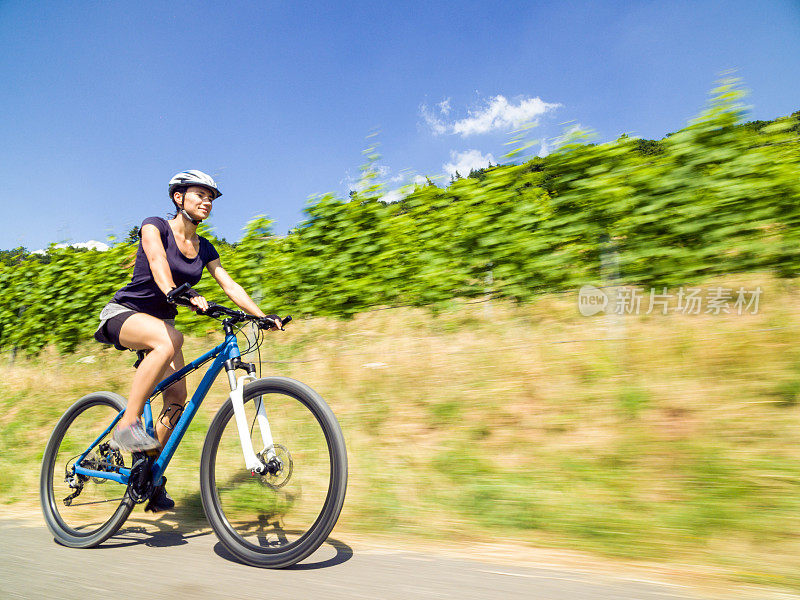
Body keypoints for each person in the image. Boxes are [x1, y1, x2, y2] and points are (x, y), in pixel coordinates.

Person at [94, 169, 280, 512]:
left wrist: (262, 315)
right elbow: (157, 262)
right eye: (200, 194)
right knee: (170, 340)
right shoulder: (155, 226)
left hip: (161, 323)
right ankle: (129, 422)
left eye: (211, 197)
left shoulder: (205, 247)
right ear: (179, 198)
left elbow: (228, 284)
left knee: (177, 401)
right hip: (124, 313)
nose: (207, 201)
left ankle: (145, 473)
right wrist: (176, 292)